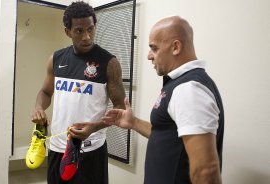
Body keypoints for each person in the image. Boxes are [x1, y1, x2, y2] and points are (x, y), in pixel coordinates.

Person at [102, 16, 224, 184]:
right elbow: (169, 135)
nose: (149, 56)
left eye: (154, 48)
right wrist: (134, 122)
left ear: (175, 47)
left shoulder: (189, 89)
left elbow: (206, 170)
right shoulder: (179, 84)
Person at [30, 1, 126, 183]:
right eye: (79, 31)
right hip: (58, 148)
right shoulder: (56, 59)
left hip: (90, 150)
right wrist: (38, 108)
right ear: (68, 31)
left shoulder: (109, 63)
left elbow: (121, 108)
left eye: (90, 29)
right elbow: (45, 92)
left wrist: (94, 128)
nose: (86, 37)